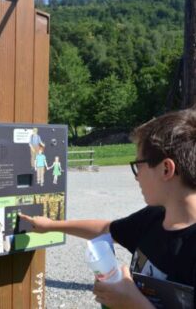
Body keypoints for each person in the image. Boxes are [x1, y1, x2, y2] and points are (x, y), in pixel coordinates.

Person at [20, 109, 196, 309]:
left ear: (166, 169)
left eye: (138, 165)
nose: (136, 176)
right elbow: (107, 229)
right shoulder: (154, 217)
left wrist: (132, 302)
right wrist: (51, 225)